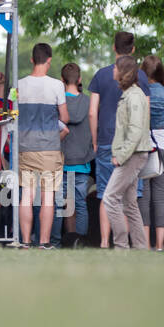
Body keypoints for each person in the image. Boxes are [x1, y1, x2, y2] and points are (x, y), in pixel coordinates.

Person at [88, 31, 151, 247]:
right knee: (130, 203)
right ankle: (141, 247)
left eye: (115, 67)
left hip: (125, 151)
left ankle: (117, 244)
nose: (112, 69)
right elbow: (147, 116)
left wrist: (114, 152)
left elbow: (93, 112)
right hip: (126, 149)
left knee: (109, 197)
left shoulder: (132, 95)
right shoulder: (138, 85)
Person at [14, 43, 68, 249]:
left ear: (31, 60)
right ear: (49, 60)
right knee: (48, 197)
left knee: (26, 195)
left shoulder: (18, 85)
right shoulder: (56, 86)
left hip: (25, 146)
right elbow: (64, 117)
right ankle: (44, 242)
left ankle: (25, 241)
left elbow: (13, 114)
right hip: (49, 148)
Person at [139, 56, 164, 250]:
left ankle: (145, 245)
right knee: (161, 197)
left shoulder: (138, 92)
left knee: (143, 196)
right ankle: (160, 246)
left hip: (145, 146)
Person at [57, 63, 92, 248]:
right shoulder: (89, 102)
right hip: (83, 161)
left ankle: (69, 240)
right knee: (81, 203)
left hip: (63, 161)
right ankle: (82, 241)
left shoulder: (59, 103)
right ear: (79, 80)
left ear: (62, 80)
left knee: (66, 204)